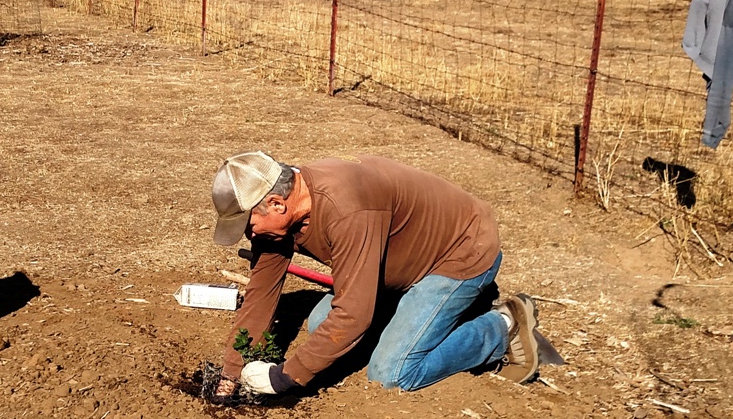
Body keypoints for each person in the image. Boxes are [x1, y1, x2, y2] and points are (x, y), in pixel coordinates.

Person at [210, 151, 539, 399]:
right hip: (399, 261)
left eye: (247, 224)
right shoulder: (283, 214)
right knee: (320, 325)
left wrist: (287, 377)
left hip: (459, 253)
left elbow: (353, 316)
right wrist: (232, 372)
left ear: (277, 204)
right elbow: (262, 293)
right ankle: (413, 323)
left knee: (391, 372)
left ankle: (500, 327)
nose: (247, 234)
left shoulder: (346, 209)